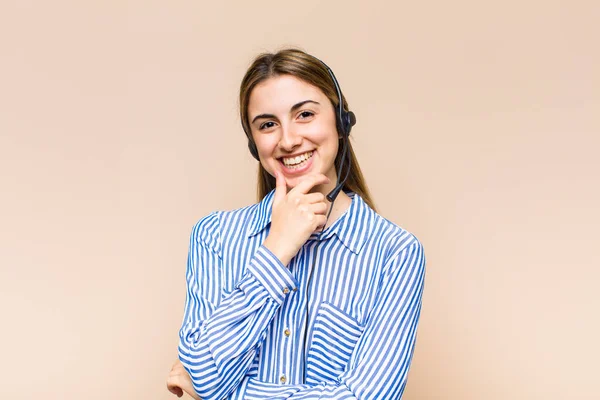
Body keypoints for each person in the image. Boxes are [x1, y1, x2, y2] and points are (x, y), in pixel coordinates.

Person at [166, 48, 426, 400]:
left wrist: (223, 394)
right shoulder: (214, 237)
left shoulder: (394, 254)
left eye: (304, 114)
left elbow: (368, 398)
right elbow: (201, 370)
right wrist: (277, 249)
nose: (287, 140)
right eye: (268, 124)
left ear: (341, 122)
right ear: (253, 143)